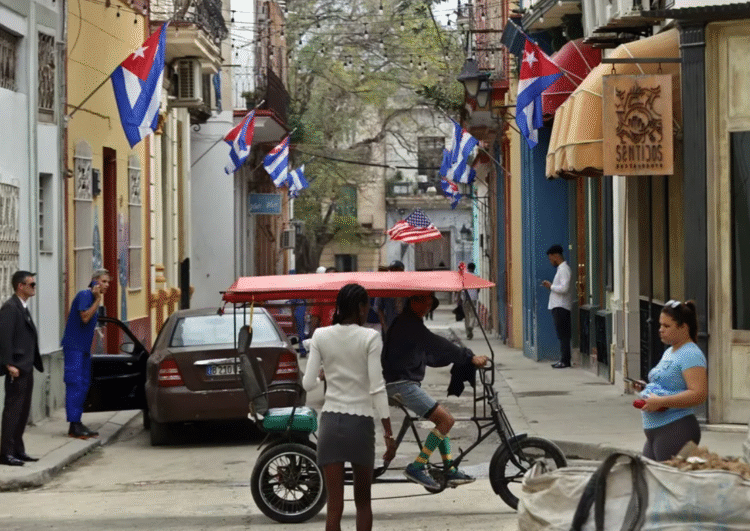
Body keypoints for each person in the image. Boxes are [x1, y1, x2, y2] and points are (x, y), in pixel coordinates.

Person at [303, 283, 396, 531]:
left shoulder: (321, 336)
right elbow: (377, 387)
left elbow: (308, 383)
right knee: (363, 503)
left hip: (331, 424)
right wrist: (388, 433)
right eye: (367, 305)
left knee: (334, 505)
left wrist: (326, 373)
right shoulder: (370, 338)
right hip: (361, 425)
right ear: (360, 307)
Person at [382, 292, 488, 489]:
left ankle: (449, 468)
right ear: (412, 301)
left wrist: (458, 359)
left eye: (430, 305)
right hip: (401, 385)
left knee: (444, 419)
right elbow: (435, 343)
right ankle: (418, 466)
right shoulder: (408, 324)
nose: (426, 309)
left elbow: (430, 355)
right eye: (423, 304)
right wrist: (467, 356)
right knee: (446, 420)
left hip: (403, 382)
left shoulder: (410, 323)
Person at [633, 300, 708, 462]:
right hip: (657, 430)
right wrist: (646, 388)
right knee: (648, 479)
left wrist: (661, 401)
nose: (660, 330)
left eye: (667, 326)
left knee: (665, 482)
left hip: (676, 428)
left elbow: (699, 394)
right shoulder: (670, 351)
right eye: (660, 325)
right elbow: (668, 384)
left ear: (683, 327)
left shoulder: (690, 354)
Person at [61, 269, 111, 439]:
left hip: (83, 349)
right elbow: (84, 317)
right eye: (104, 281)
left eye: (108, 282)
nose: (107, 285)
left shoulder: (93, 298)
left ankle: (77, 421)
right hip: (74, 347)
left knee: (83, 384)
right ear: (95, 282)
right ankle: (73, 424)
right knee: (75, 383)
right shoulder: (85, 295)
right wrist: (98, 299)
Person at [0, 271, 43, 466]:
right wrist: (9, 364)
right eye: (31, 284)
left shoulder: (22, 307)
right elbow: (4, 338)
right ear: (20, 286)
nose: (34, 287)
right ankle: (6, 453)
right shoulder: (10, 308)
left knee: (23, 410)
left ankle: (18, 449)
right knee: (13, 410)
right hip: (17, 367)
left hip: (26, 366)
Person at [541, 244, 573, 368]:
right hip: (558, 306)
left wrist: (551, 286)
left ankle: (565, 360)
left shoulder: (564, 269)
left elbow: (565, 288)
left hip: (561, 307)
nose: (550, 261)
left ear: (556, 256)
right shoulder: (561, 269)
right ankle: (563, 359)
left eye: (550, 258)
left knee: (563, 335)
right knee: (561, 335)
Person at [377, 260, 407, 335]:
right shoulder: (384, 287)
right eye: (392, 270)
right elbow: (379, 308)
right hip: (389, 327)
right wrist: (385, 327)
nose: (394, 272)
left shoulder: (407, 286)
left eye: (396, 270)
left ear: (402, 271)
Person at [461, 262, 480, 339]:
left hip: (465, 298)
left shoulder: (464, 276)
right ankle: (471, 326)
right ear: (474, 268)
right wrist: (475, 293)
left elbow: (461, 287)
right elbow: (478, 288)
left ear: (468, 268)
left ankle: (468, 332)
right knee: (473, 315)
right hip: (474, 298)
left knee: (466, 316)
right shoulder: (477, 276)